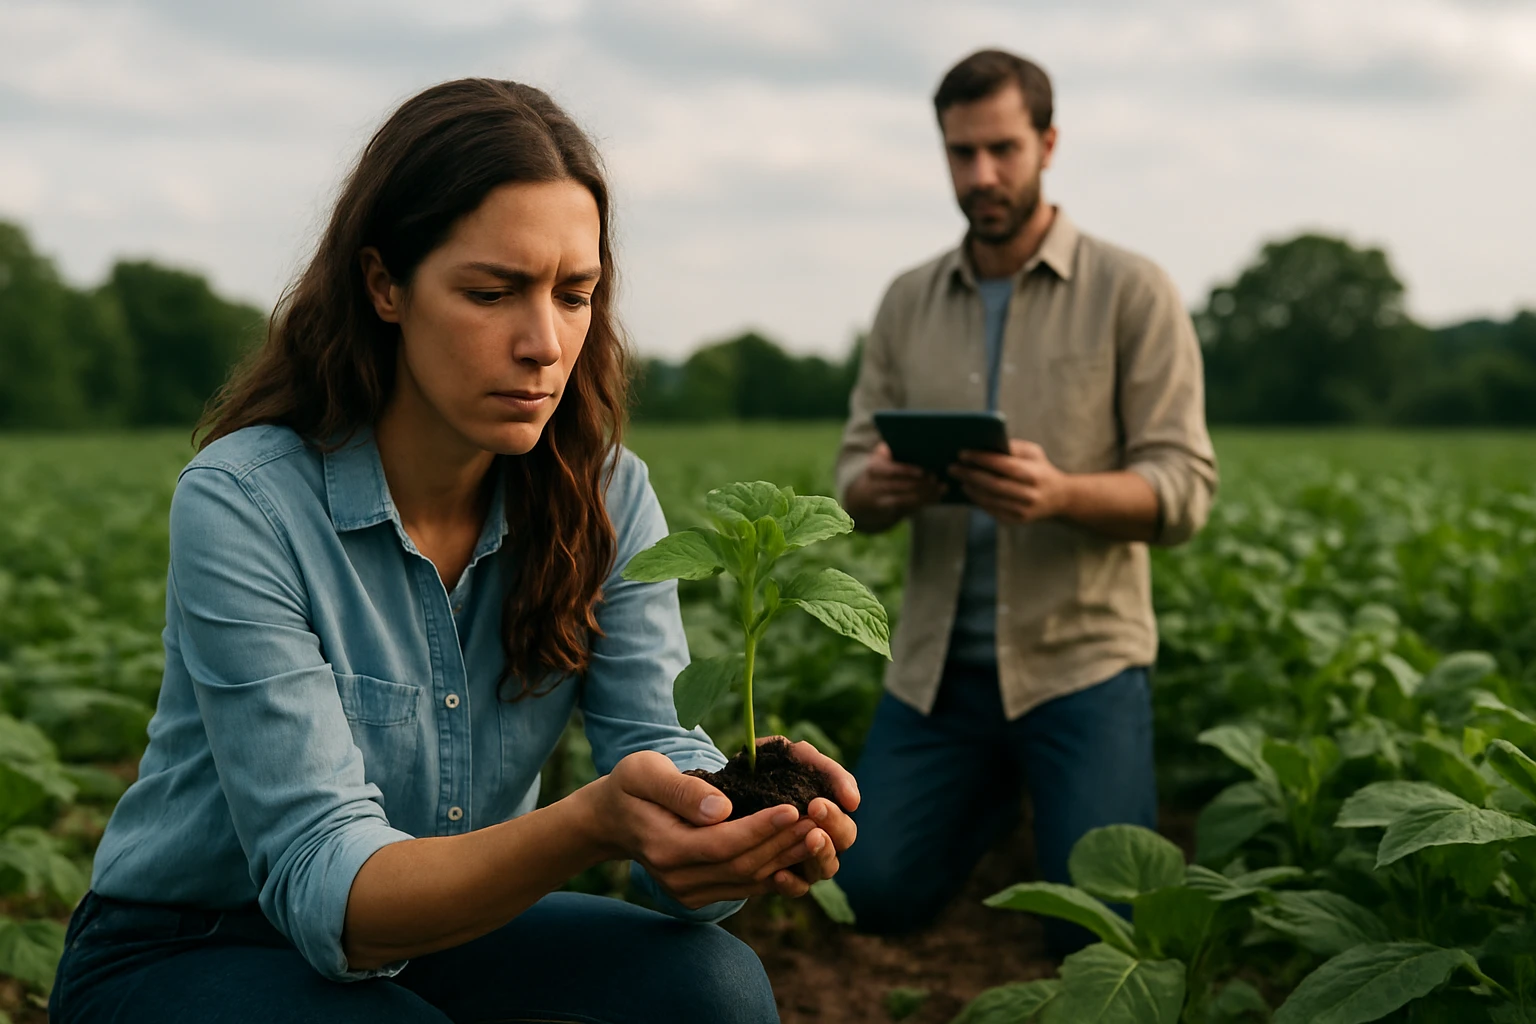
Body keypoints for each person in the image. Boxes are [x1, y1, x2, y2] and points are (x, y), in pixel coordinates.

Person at [48, 79, 858, 1024]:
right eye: (493, 291)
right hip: (190, 944)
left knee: (711, 989)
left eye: (575, 294)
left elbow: (659, 755)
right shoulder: (247, 500)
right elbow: (325, 887)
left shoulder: (603, 493)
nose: (543, 344)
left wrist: (735, 830)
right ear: (384, 284)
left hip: (450, 931)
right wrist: (591, 821)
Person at [833, 50, 1216, 953]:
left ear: (1048, 143)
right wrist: (879, 488)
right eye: (961, 153)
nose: (981, 176)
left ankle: (1030, 789)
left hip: (1080, 666)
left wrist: (1062, 493)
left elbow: (1185, 489)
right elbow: (852, 474)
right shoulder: (905, 301)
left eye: (1002, 149)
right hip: (938, 674)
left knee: (1098, 934)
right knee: (869, 895)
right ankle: (993, 790)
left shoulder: (1134, 291)